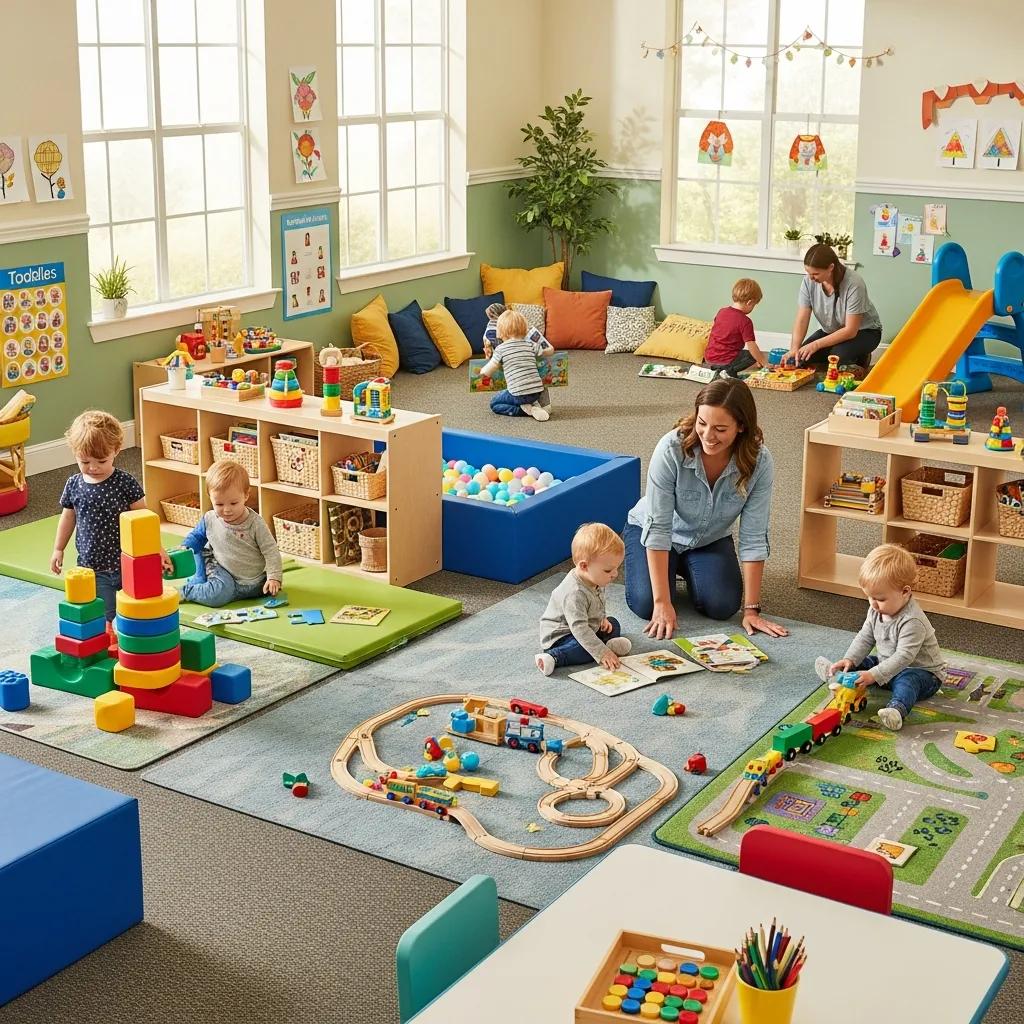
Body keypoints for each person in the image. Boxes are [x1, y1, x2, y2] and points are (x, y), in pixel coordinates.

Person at [623, 378, 788, 640]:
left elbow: (754, 536)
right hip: (654, 531)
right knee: (645, 603)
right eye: (702, 423)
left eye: (720, 429)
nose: (708, 436)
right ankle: (667, 571)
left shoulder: (760, 462)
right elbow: (659, 527)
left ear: (741, 426)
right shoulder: (670, 449)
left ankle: (685, 568)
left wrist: (751, 610)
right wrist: (662, 602)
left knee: (723, 606)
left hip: (708, 539)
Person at [51, 411, 166, 624]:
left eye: (101, 461)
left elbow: (144, 520)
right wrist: (58, 548)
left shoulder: (124, 482)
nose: (93, 467)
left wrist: (156, 549)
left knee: (135, 611)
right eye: (85, 461)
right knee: (105, 617)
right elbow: (67, 518)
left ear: (116, 450)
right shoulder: (74, 484)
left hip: (127, 563)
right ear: (75, 453)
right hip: (92, 567)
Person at [818, 543, 945, 731]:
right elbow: (865, 637)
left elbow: (904, 657)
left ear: (905, 592)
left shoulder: (913, 621)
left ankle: (896, 709)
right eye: (870, 597)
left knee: (907, 681)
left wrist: (874, 675)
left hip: (922, 673)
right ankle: (839, 674)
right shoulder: (875, 610)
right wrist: (850, 659)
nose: (874, 604)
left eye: (880, 599)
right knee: (864, 662)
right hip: (886, 663)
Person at [179, 461, 283, 607]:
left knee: (268, 589)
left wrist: (274, 578)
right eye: (219, 504)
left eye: (233, 503)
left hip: (253, 581)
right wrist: (185, 547)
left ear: (246, 495)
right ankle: (187, 590)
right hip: (222, 570)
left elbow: (271, 551)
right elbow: (197, 537)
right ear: (210, 497)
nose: (227, 510)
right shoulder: (210, 518)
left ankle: (205, 583)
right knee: (217, 595)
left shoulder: (255, 523)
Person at [536, 523, 632, 675]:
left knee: (613, 623)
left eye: (617, 568)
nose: (615, 574)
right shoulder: (574, 593)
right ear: (584, 566)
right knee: (583, 649)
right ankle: (553, 657)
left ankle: (606, 643)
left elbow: (599, 602)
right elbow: (579, 629)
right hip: (563, 637)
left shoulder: (596, 578)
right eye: (608, 570)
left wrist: (602, 619)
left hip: (587, 625)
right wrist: (601, 653)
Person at [785, 243, 882, 369]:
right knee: (800, 358)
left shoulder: (854, 284)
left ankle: (861, 357)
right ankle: (842, 354)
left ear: (831, 267)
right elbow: (802, 318)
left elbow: (850, 330)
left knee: (836, 358)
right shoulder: (808, 281)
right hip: (831, 331)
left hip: (864, 332)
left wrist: (816, 345)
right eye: (808, 273)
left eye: (815, 274)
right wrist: (794, 348)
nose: (811, 278)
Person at [476, 308, 554, 422]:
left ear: (501, 331)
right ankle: (535, 404)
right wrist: (546, 349)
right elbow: (549, 351)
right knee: (527, 394)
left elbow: (492, 367)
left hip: (518, 394)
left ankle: (526, 410)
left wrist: (482, 372)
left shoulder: (501, 349)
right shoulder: (530, 344)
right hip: (537, 391)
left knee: (494, 404)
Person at [703, 278, 768, 379]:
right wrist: (764, 362)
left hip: (709, 358)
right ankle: (726, 371)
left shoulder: (722, 311)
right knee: (752, 355)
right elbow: (752, 346)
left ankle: (717, 368)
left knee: (753, 355)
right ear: (749, 302)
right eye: (754, 305)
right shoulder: (745, 321)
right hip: (725, 361)